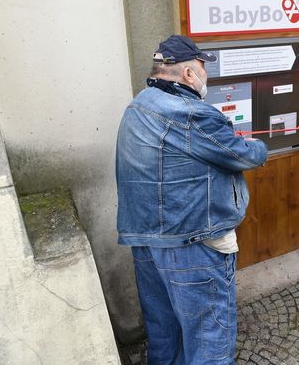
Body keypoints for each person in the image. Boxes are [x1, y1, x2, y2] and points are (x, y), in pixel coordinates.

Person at [115, 35, 267, 364]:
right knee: (209, 337)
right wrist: (257, 144)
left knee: (164, 331)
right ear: (187, 74)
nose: (205, 75)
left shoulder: (139, 103)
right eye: (202, 67)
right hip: (192, 243)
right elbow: (241, 155)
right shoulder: (192, 114)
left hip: (146, 241)